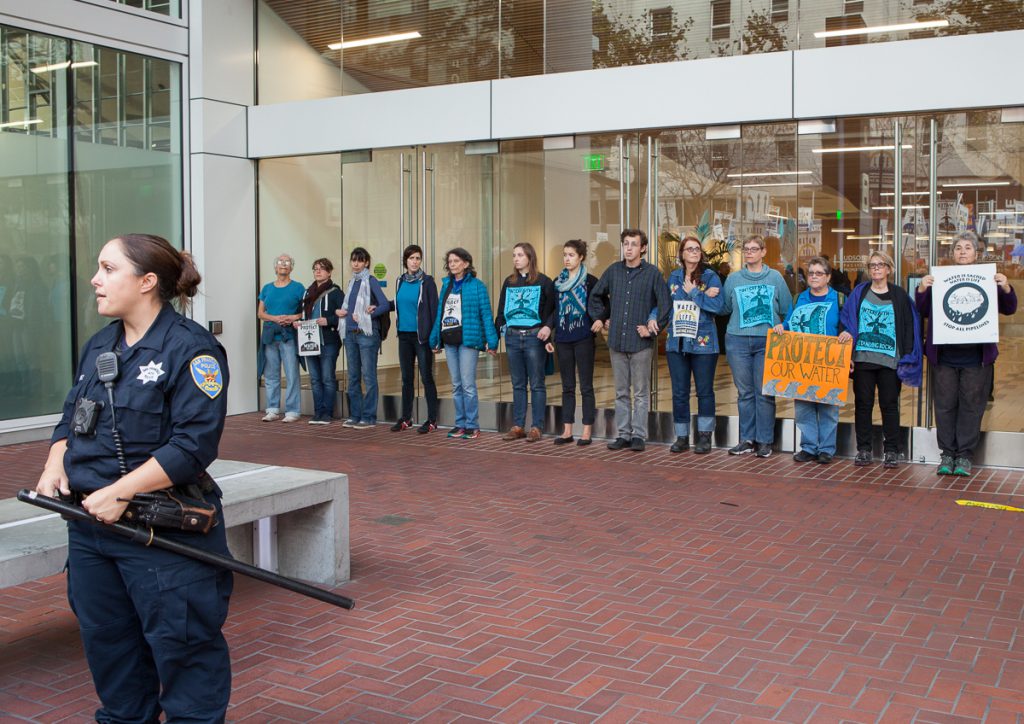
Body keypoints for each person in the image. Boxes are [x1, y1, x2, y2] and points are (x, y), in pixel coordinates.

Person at [35, 233, 232, 722]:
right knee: (112, 652)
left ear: (147, 282)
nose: (95, 280)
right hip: (90, 531)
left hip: (159, 534)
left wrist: (120, 491)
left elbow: (192, 446)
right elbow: (71, 418)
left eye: (107, 268)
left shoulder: (193, 350)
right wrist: (53, 463)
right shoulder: (99, 345)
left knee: (185, 654)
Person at [916, 230, 1017, 476]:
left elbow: (1009, 308)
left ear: (976, 253)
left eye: (967, 248)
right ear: (952, 254)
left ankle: (964, 456)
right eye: (958, 248)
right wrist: (922, 289)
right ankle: (947, 454)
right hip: (945, 358)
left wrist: (1005, 287)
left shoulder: (987, 278)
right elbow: (923, 309)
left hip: (976, 358)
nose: (962, 252)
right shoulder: (941, 279)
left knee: (972, 406)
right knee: (945, 406)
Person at [588, 229, 671, 452]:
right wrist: (602, 317)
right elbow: (596, 295)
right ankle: (623, 434)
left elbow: (665, 304)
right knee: (621, 392)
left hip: (640, 343)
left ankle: (639, 436)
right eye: (626, 244)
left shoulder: (652, 273)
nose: (629, 248)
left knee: (641, 392)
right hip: (617, 341)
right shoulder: (613, 271)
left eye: (634, 244)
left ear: (643, 248)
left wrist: (652, 330)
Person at [839, 250, 922, 469]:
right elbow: (847, 319)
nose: (876, 268)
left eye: (880, 264)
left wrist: (905, 358)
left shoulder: (899, 295)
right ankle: (864, 450)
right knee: (862, 405)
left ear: (889, 269)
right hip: (863, 360)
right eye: (872, 265)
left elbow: (908, 328)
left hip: (890, 362)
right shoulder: (859, 292)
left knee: (890, 406)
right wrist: (847, 335)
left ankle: (892, 451)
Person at [721, 235, 792, 457]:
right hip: (737, 340)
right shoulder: (733, 279)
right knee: (745, 393)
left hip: (767, 341)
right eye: (746, 249)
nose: (749, 252)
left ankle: (764, 441)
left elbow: (787, 307)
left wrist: (783, 326)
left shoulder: (775, 278)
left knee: (764, 392)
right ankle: (747, 439)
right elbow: (724, 308)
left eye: (754, 249)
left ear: (763, 252)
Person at [775, 255, 842, 464]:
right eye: (811, 273)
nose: (814, 277)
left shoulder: (839, 299)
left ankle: (826, 449)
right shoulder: (799, 298)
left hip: (829, 360)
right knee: (803, 406)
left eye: (819, 273)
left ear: (828, 277)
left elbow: (848, 325)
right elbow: (789, 322)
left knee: (828, 407)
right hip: (802, 361)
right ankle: (809, 447)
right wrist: (781, 327)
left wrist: (847, 335)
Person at [429, 247, 499, 439]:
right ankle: (460, 423)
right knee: (456, 384)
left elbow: (486, 314)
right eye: (450, 262)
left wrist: (492, 341)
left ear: (466, 264)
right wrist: (435, 339)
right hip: (449, 340)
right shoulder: (446, 286)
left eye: (456, 261)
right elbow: (440, 315)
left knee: (468, 384)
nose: (452, 264)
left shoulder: (477, 286)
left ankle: (472, 424)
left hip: (468, 341)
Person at [665, 234, 724, 454]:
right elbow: (668, 304)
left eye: (697, 249)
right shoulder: (673, 277)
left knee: (704, 391)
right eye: (689, 249)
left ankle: (705, 436)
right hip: (677, 343)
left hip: (704, 344)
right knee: (679, 392)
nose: (694, 252)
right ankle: (681, 436)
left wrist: (695, 292)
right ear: (681, 253)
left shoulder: (711, 277)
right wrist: (653, 318)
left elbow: (717, 306)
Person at [496, 242, 556, 442]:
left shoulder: (544, 281)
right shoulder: (509, 281)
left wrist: (548, 328)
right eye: (514, 255)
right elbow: (501, 309)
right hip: (513, 337)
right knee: (518, 384)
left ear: (530, 257)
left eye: (520, 255)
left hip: (534, 338)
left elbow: (553, 309)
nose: (516, 259)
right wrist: (499, 333)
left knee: (537, 384)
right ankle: (518, 425)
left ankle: (537, 427)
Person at [545, 240, 599, 446]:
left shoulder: (591, 281)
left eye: (571, 255)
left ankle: (586, 431)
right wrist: (548, 332)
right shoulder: (557, 282)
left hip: (584, 337)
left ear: (581, 257)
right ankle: (567, 430)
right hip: (563, 338)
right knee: (567, 386)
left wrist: (599, 320)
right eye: (565, 255)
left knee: (586, 386)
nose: (567, 259)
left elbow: (604, 305)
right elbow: (552, 311)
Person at [336, 246, 389, 429]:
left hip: (367, 334)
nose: (356, 263)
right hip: (350, 333)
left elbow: (384, 305)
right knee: (352, 376)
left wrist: (369, 315)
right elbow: (349, 308)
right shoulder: (351, 282)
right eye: (353, 260)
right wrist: (341, 312)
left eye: (360, 260)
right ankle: (354, 415)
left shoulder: (371, 281)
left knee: (368, 376)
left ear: (366, 262)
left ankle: (369, 417)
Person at [392, 244, 440, 434]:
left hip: (422, 338)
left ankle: (432, 419)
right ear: (406, 261)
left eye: (418, 258)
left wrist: (435, 338)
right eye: (411, 258)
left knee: (426, 377)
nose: (415, 261)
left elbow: (434, 310)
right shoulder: (399, 281)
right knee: (406, 378)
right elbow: (396, 304)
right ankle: (406, 418)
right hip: (404, 335)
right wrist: (374, 308)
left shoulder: (427, 282)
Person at [257, 253, 304, 422]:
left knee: (292, 373)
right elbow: (260, 313)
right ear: (275, 267)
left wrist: (292, 318)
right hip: (270, 335)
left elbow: (303, 312)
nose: (283, 264)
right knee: (271, 374)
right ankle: (272, 409)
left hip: (289, 336)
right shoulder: (267, 288)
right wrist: (275, 318)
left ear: (291, 267)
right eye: (280, 262)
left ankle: (292, 411)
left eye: (287, 262)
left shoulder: (298, 287)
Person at [296, 258, 343, 424]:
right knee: (315, 379)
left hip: (328, 341)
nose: (318, 272)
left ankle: (327, 413)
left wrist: (329, 321)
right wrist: (299, 322)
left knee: (327, 378)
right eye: (315, 269)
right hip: (310, 341)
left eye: (322, 269)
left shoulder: (336, 292)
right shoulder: (307, 292)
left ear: (329, 272)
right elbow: (302, 314)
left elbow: (343, 316)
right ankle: (318, 412)